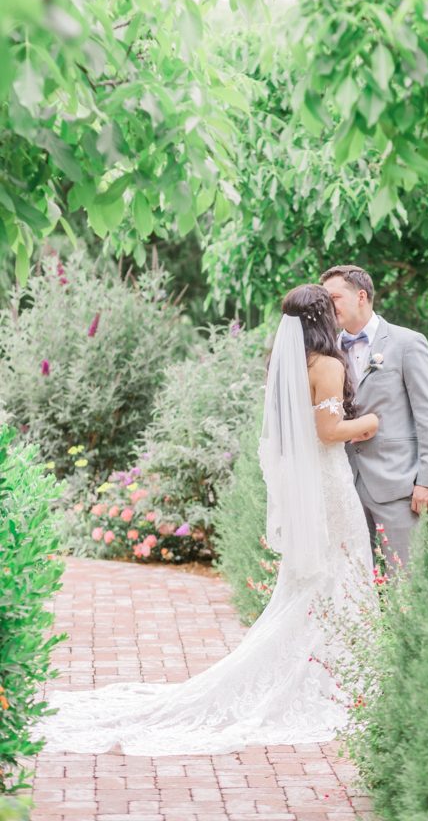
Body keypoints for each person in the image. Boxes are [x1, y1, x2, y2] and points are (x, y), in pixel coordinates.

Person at [34, 284, 379, 756]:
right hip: (330, 486)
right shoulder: (330, 364)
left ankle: (328, 668)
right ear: (323, 318)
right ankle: (341, 675)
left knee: (313, 583)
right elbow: (327, 432)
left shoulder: (290, 366)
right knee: (342, 572)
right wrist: (370, 424)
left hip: (312, 485)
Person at [321, 265, 428, 570]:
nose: (328, 306)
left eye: (334, 297)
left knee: (403, 580)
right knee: (356, 582)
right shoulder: (327, 352)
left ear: (361, 296)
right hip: (345, 484)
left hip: (398, 485)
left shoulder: (407, 343)